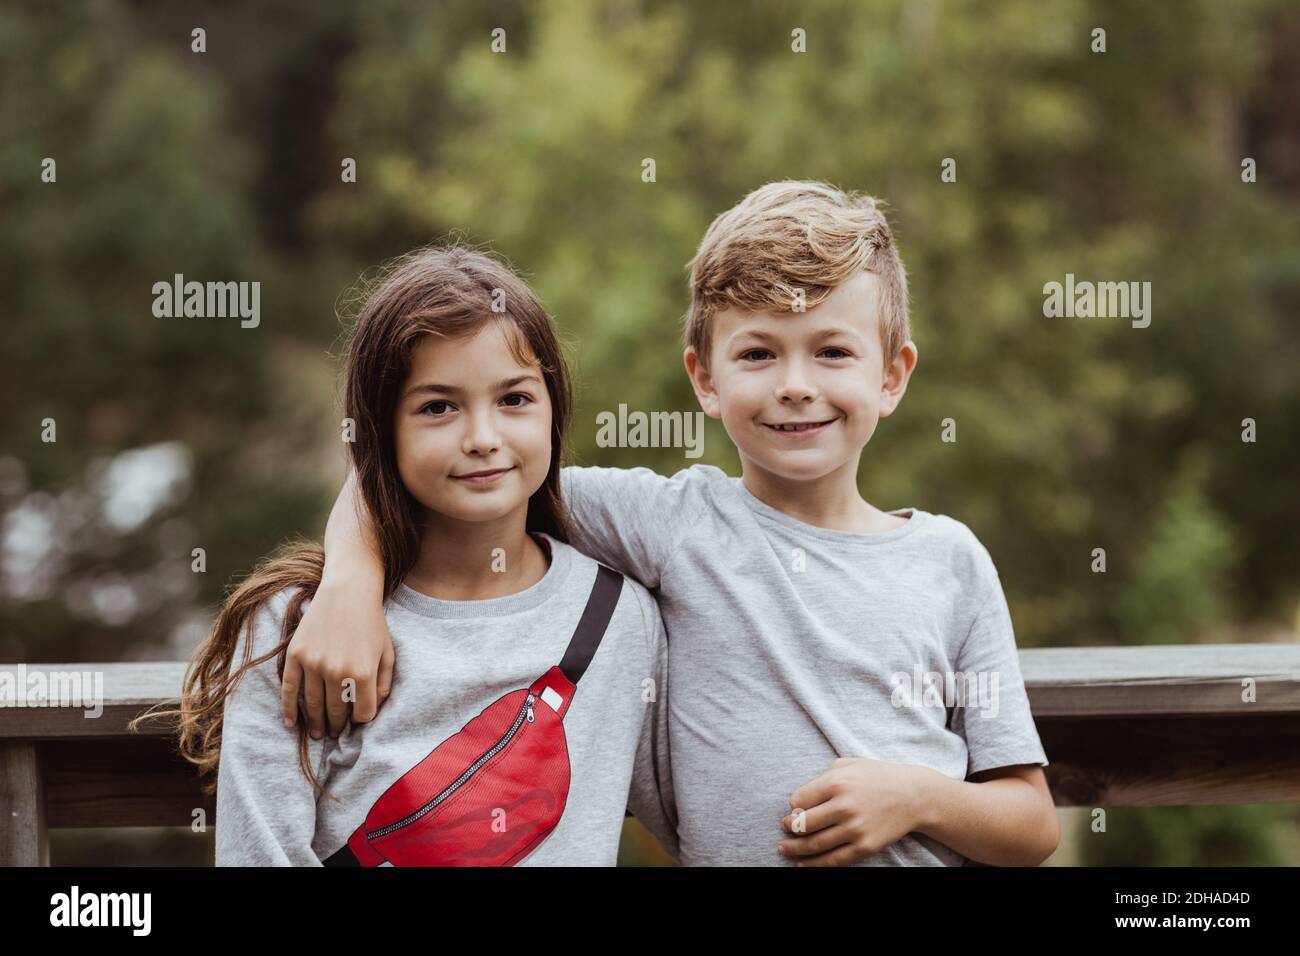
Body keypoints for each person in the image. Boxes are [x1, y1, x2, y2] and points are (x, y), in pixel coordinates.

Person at [290, 182, 1059, 866]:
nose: (795, 386)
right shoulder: (671, 522)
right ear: (704, 377)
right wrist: (350, 587)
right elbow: (441, 474)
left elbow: (1030, 825)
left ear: (891, 377)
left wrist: (917, 797)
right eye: (758, 353)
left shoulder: (951, 563)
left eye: (831, 352)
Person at [137, 245, 676, 866]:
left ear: (555, 412)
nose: (482, 438)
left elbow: (705, 814)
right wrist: (348, 584)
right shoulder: (298, 630)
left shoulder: (622, 620)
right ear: (380, 431)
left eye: (515, 399)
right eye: (438, 407)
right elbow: (260, 854)